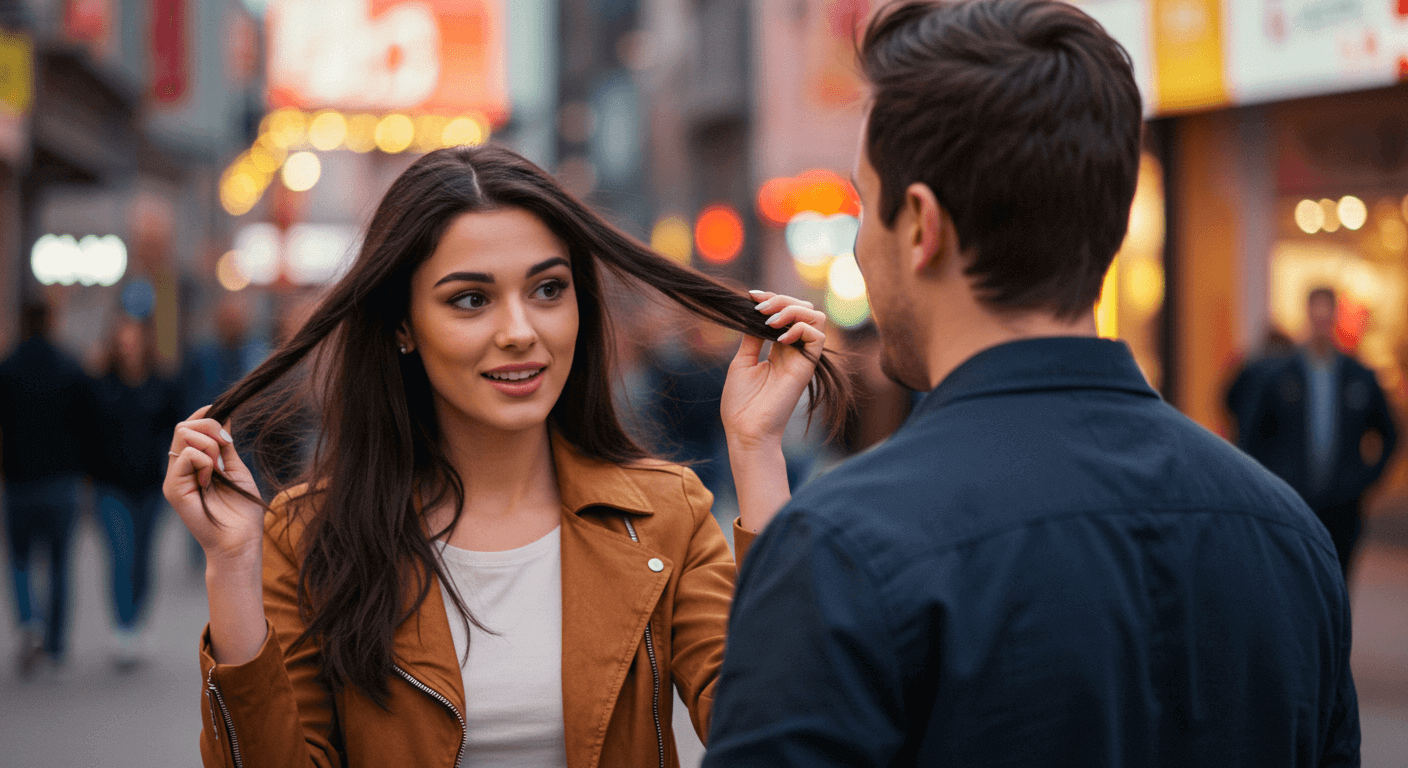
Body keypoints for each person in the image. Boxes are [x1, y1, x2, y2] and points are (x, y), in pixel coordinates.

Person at [705, 2, 1358, 765]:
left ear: (920, 226)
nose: (859, 243)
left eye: (861, 204)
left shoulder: (850, 549)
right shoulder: (1286, 536)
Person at [163, 144, 848, 768]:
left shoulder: (665, 515)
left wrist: (757, 450)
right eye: (470, 300)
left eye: (548, 289)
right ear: (403, 324)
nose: (520, 332)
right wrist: (230, 566)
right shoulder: (307, 534)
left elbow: (781, 730)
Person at [1238, 287, 1398, 582]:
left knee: (1339, 583)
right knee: (1296, 582)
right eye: (1316, 315)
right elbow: (1252, 435)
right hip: (1293, 501)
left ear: (1335, 318)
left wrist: (1363, 481)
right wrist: (1273, 482)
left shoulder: (1359, 376)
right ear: (1308, 315)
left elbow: (1390, 434)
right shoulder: (1280, 376)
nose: (1321, 323)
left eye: (1328, 316)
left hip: (1344, 506)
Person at [0, 298, 90, 675]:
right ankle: (55, 641)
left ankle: (28, 624)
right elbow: (88, 423)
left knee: (20, 560)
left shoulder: (7, 369)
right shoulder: (70, 367)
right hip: (61, 482)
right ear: (51, 321)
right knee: (59, 563)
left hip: (18, 481)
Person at [89, 316, 184, 667]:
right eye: (122, 339)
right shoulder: (102, 384)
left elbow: (176, 428)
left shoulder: (161, 384)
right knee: (121, 555)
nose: (129, 346)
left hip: (150, 488)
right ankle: (123, 626)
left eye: (134, 339)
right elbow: (86, 430)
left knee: (144, 559)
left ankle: (138, 621)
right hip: (110, 487)